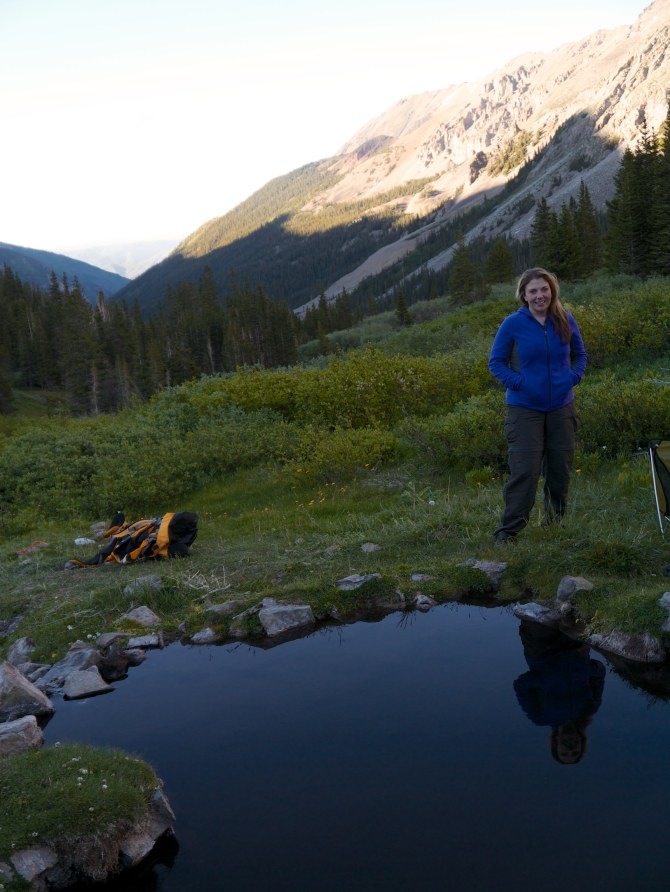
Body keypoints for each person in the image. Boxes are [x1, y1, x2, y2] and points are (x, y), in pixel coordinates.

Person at [488, 267, 587, 544]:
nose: (540, 295)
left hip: (561, 408)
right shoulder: (512, 324)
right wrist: (520, 384)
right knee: (525, 470)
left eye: (544, 289)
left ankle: (553, 525)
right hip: (524, 409)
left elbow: (580, 355)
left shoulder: (565, 319)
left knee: (559, 469)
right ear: (524, 295)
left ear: (552, 291)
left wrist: (572, 377)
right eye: (533, 291)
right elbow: (496, 363)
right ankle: (508, 532)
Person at [513, 620, 605, 764]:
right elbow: (599, 673)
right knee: (573, 614)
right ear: (581, 743)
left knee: (537, 614)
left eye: (564, 752)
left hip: (542, 652)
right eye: (575, 751)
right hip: (576, 651)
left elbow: (521, 686)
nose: (570, 748)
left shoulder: (540, 717)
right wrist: (587, 669)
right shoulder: (589, 710)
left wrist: (544, 677)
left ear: (555, 744)